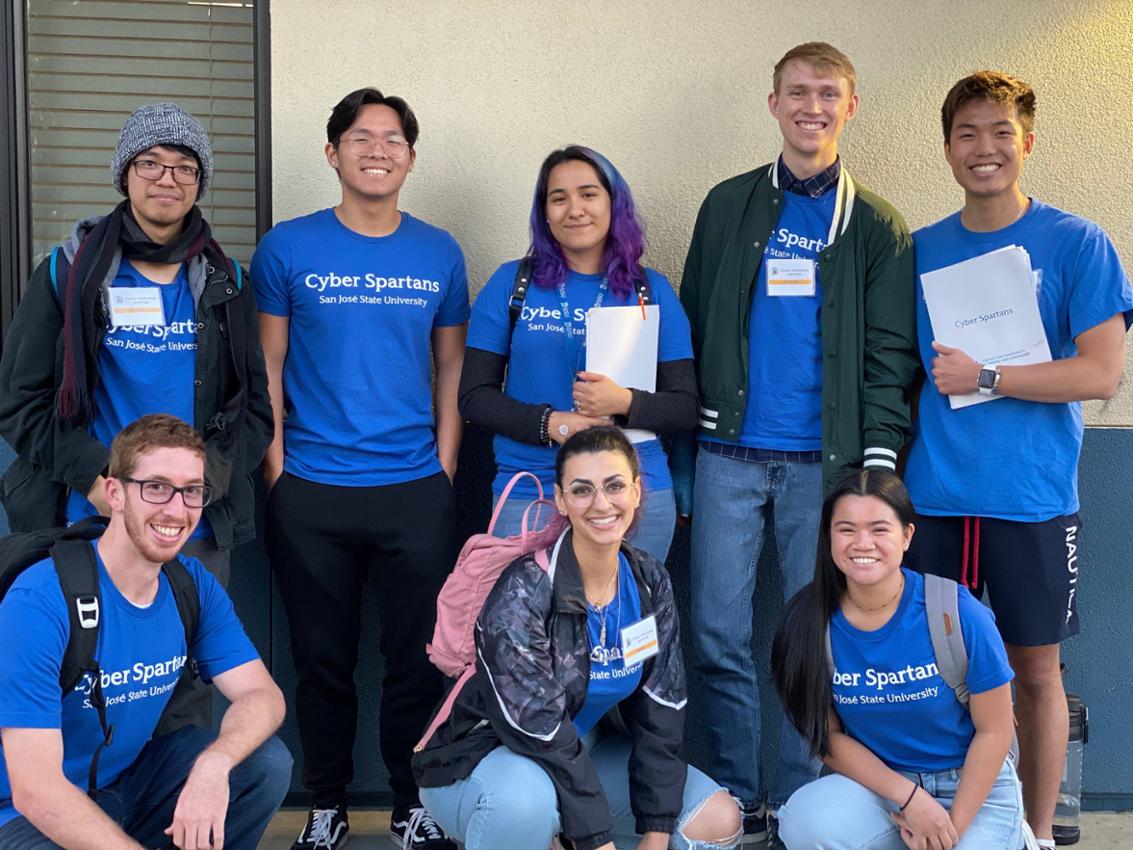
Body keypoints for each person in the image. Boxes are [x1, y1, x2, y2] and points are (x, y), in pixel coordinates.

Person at [677, 41, 919, 840]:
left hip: (825, 467)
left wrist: (875, 464)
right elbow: (690, 326)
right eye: (796, 93)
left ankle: (796, 798)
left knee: (807, 637)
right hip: (726, 454)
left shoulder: (877, 224)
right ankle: (737, 796)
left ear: (850, 108)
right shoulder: (726, 204)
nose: (811, 107)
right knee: (714, 633)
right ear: (772, 103)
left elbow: (890, 358)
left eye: (827, 94)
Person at [902, 71, 1132, 849]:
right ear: (946, 149)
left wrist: (987, 376)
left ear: (1026, 143)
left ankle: (1033, 834)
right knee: (938, 679)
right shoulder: (922, 250)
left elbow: (1101, 374)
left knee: (1035, 676)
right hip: (936, 499)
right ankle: (950, 823)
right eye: (966, 134)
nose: (984, 148)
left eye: (1000, 132)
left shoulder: (1076, 243)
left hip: (1031, 501)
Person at [0, 102, 273, 734]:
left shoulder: (226, 280)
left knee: (184, 689)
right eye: (150, 162)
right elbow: (22, 400)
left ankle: (177, 817)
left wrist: (205, 486)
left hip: (192, 525)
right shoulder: (68, 271)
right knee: (77, 679)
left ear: (199, 183)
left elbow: (253, 407)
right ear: (124, 174)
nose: (167, 178)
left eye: (184, 166)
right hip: (84, 514)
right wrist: (96, 477)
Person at [251, 87, 469, 850]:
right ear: (332, 151)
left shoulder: (438, 251)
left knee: (416, 660)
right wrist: (279, 470)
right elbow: (268, 368)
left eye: (392, 140)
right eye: (360, 137)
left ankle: (411, 803)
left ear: (410, 157)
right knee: (321, 663)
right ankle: (327, 803)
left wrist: (442, 471)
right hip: (312, 489)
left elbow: (450, 372)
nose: (376, 151)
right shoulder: (286, 248)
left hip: (414, 490)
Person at [413, 426, 740, 850]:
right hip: (484, 760)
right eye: (582, 490)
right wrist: (597, 840)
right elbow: (540, 729)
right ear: (561, 500)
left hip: (582, 752)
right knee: (523, 807)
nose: (601, 503)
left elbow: (663, 709)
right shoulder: (525, 590)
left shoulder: (647, 581)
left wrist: (657, 833)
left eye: (615, 486)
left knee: (715, 818)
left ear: (638, 492)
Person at [0, 414, 291, 850]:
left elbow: (262, 697)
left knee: (262, 763)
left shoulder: (190, 584)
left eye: (192, 491)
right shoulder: (40, 601)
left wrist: (213, 764)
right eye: (155, 487)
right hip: (22, 815)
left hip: (126, 785)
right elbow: (36, 790)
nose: (177, 509)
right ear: (114, 493)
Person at [459, 145, 697, 563]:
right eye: (559, 198)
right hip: (531, 489)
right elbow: (474, 397)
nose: (575, 209)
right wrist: (554, 424)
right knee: (526, 625)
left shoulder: (650, 290)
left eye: (588, 194)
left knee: (627, 623)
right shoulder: (510, 284)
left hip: (631, 494)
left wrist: (625, 404)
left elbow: (685, 407)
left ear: (612, 203)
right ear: (544, 212)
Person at [770, 469, 1023, 849]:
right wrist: (910, 798)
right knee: (804, 822)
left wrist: (948, 829)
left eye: (879, 529)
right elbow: (827, 738)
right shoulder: (807, 622)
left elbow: (996, 731)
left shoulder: (955, 612)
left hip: (973, 787)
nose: (862, 543)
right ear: (828, 536)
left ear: (907, 536)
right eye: (846, 529)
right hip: (882, 785)